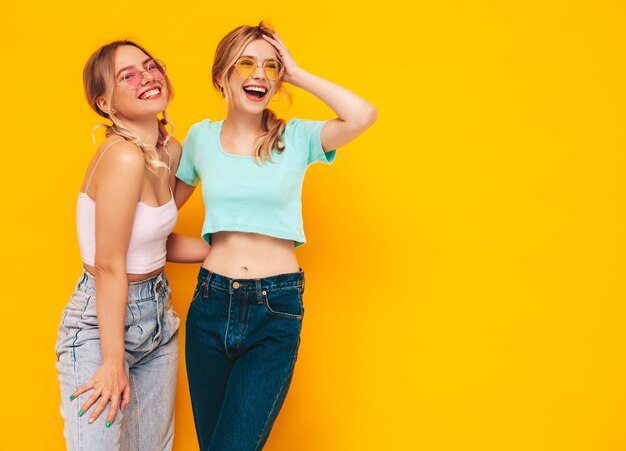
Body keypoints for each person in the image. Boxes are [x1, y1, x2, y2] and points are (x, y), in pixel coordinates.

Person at [175, 21, 377, 450]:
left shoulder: (297, 137)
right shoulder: (200, 138)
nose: (259, 76)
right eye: (245, 63)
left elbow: (363, 115)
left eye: (270, 67)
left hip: (275, 308)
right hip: (210, 305)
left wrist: (297, 73)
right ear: (222, 76)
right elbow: (158, 218)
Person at [55, 40, 208, 451]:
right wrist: (112, 360)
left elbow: (157, 243)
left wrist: (228, 253)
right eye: (129, 76)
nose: (147, 76)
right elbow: (108, 265)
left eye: (150, 65)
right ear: (106, 104)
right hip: (101, 325)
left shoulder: (168, 152)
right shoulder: (122, 157)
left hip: (158, 319)